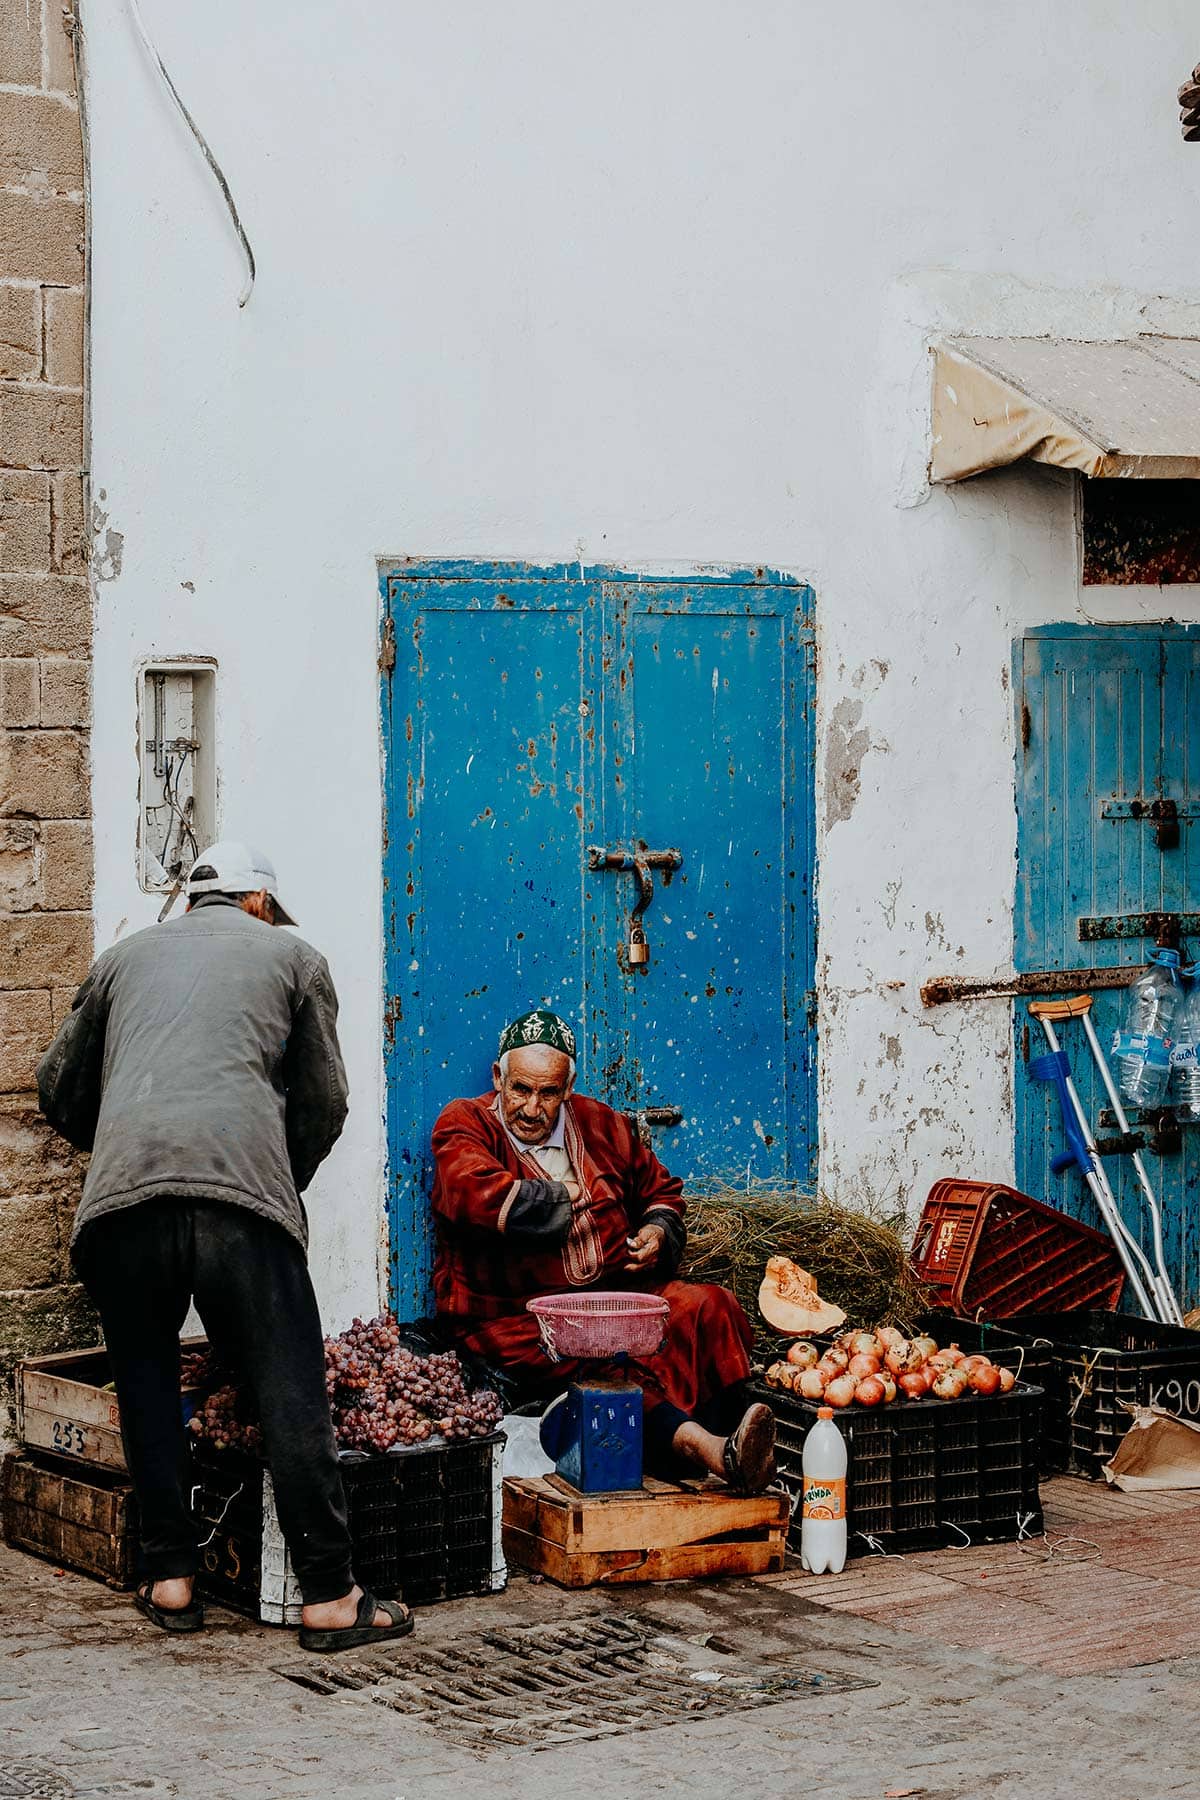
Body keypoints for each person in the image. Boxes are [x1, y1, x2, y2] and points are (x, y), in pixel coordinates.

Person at [37, 840, 413, 1652]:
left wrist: (126, 1151)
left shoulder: (120, 959)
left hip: (122, 1206)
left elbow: (57, 1089)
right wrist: (275, 1178)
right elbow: (324, 1102)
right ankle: (328, 1595)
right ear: (256, 904)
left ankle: (170, 1578)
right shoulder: (294, 957)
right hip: (239, 1197)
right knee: (289, 1387)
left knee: (145, 1379)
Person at [431, 1009, 776, 1491]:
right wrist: (562, 1197)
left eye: (548, 1093)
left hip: (617, 1302)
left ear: (567, 1089)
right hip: (518, 1319)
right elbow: (472, 1192)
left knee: (709, 1307)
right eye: (520, 1090)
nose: (532, 1109)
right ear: (498, 1078)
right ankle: (705, 1451)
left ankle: (740, 1444)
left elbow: (661, 1190)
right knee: (607, 1363)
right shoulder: (466, 1122)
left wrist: (657, 1232)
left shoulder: (600, 1124)